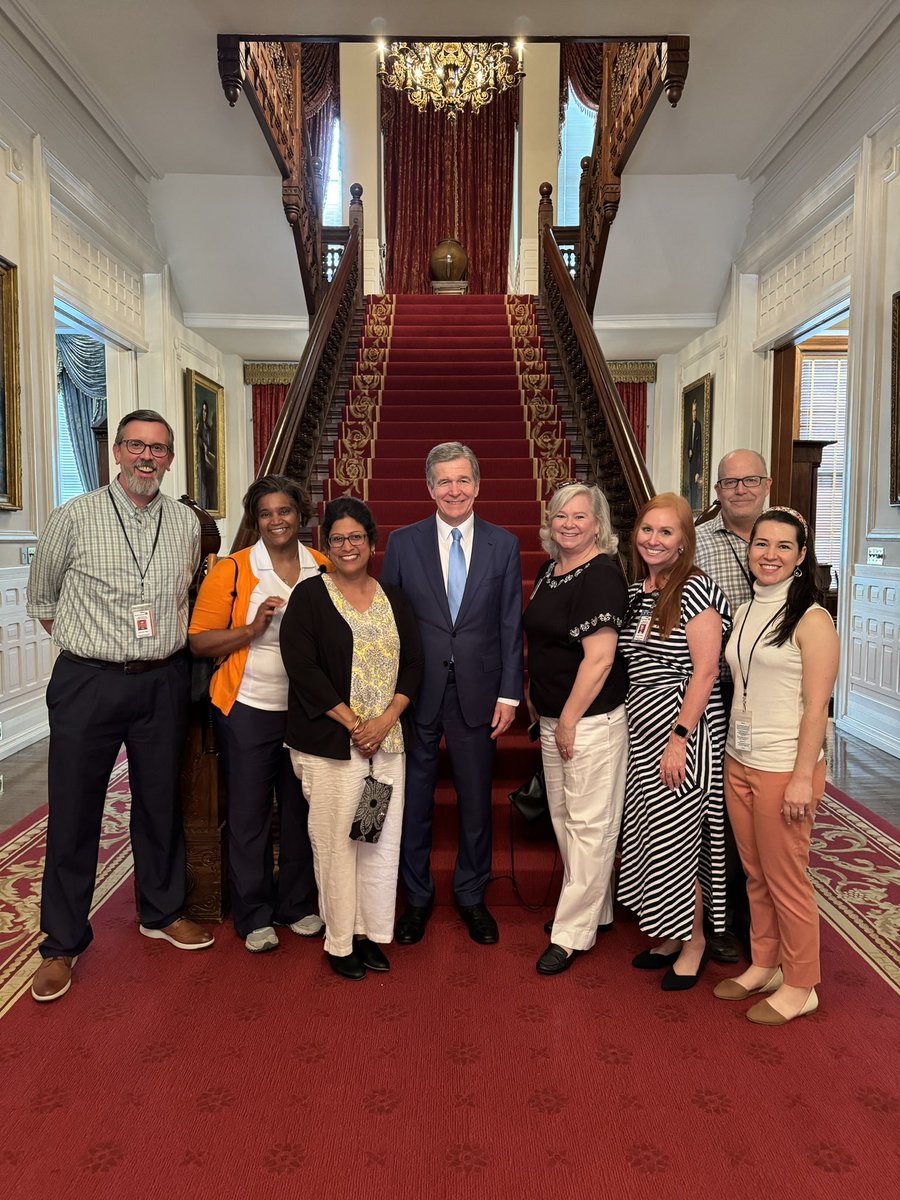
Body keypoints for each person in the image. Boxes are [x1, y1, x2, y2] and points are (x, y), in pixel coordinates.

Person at [26, 409, 213, 1003]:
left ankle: (160, 912)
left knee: (160, 803)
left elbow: (186, 594)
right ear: (116, 453)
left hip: (162, 682)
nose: (145, 458)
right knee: (77, 812)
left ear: (172, 457)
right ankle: (61, 942)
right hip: (89, 682)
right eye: (135, 446)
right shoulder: (74, 517)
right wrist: (98, 652)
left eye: (158, 449)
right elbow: (44, 597)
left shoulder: (186, 523)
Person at [380, 442, 523, 946]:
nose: (454, 490)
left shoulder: (502, 544)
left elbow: (510, 623)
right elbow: (389, 623)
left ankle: (470, 896)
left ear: (478, 485)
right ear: (429, 488)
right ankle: (416, 899)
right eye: (444, 481)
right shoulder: (402, 542)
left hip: (480, 693)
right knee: (412, 800)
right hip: (417, 694)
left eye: (462, 480)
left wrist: (509, 694)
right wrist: (389, 695)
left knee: (475, 802)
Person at [280, 497, 423, 980]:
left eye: (355, 537)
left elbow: (415, 665)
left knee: (371, 838)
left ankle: (366, 932)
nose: (346, 546)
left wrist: (385, 721)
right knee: (335, 843)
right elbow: (303, 670)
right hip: (329, 745)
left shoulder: (394, 598)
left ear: (372, 543)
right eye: (337, 539)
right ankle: (339, 940)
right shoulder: (309, 596)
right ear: (325, 546)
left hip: (384, 748)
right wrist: (354, 725)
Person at [188, 474, 329, 953]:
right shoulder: (232, 570)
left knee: (300, 812)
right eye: (265, 513)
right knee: (248, 815)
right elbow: (199, 640)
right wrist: (252, 628)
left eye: (284, 511)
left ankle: (296, 904)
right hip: (247, 708)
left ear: (300, 515)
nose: (275, 520)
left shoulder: (323, 567)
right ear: (256, 519)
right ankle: (254, 914)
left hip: (309, 714)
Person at [715, 507, 838, 1025]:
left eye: (783, 547)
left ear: (801, 556)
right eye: (761, 544)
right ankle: (765, 963)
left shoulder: (812, 619)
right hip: (739, 759)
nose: (769, 555)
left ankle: (802, 983)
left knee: (787, 877)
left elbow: (816, 707)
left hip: (783, 767)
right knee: (754, 874)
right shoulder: (745, 611)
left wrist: (801, 777)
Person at [617, 493, 731, 991]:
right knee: (654, 838)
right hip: (641, 725)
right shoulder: (636, 591)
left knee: (680, 841)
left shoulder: (695, 589)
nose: (654, 540)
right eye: (647, 530)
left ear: (685, 539)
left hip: (683, 727)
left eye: (666, 532)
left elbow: (705, 672)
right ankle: (669, 934)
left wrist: (680, 738)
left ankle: (696, 942)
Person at [522, 484, 629, 975]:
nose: (568, 523)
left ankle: (569, 935)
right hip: (553, 717)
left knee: (590, 826)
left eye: (579, 516)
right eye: (560, 515)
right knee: (564, 819)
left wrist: (566, 720)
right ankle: (596, 910)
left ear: (597, 524)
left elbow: (601, 657)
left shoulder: (602, 573)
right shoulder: (551, 570)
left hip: (588, 722)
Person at [695, 450, 772, 961]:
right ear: (717, 491)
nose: (740, 489)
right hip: (718, 689)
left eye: (750, 480)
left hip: (774, 697)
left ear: (765, 485)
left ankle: (771, 917)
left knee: (771, 808)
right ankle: (728, 922)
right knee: (724, 809)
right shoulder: (697, 545)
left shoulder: (783, 541)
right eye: (730, 482)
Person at [195, 398, 216, 511]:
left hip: (208, 464)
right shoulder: (198, 428)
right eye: (203, 410)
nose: (204, 413)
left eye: (206, 411)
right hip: (202, 463)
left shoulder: (208, 429)